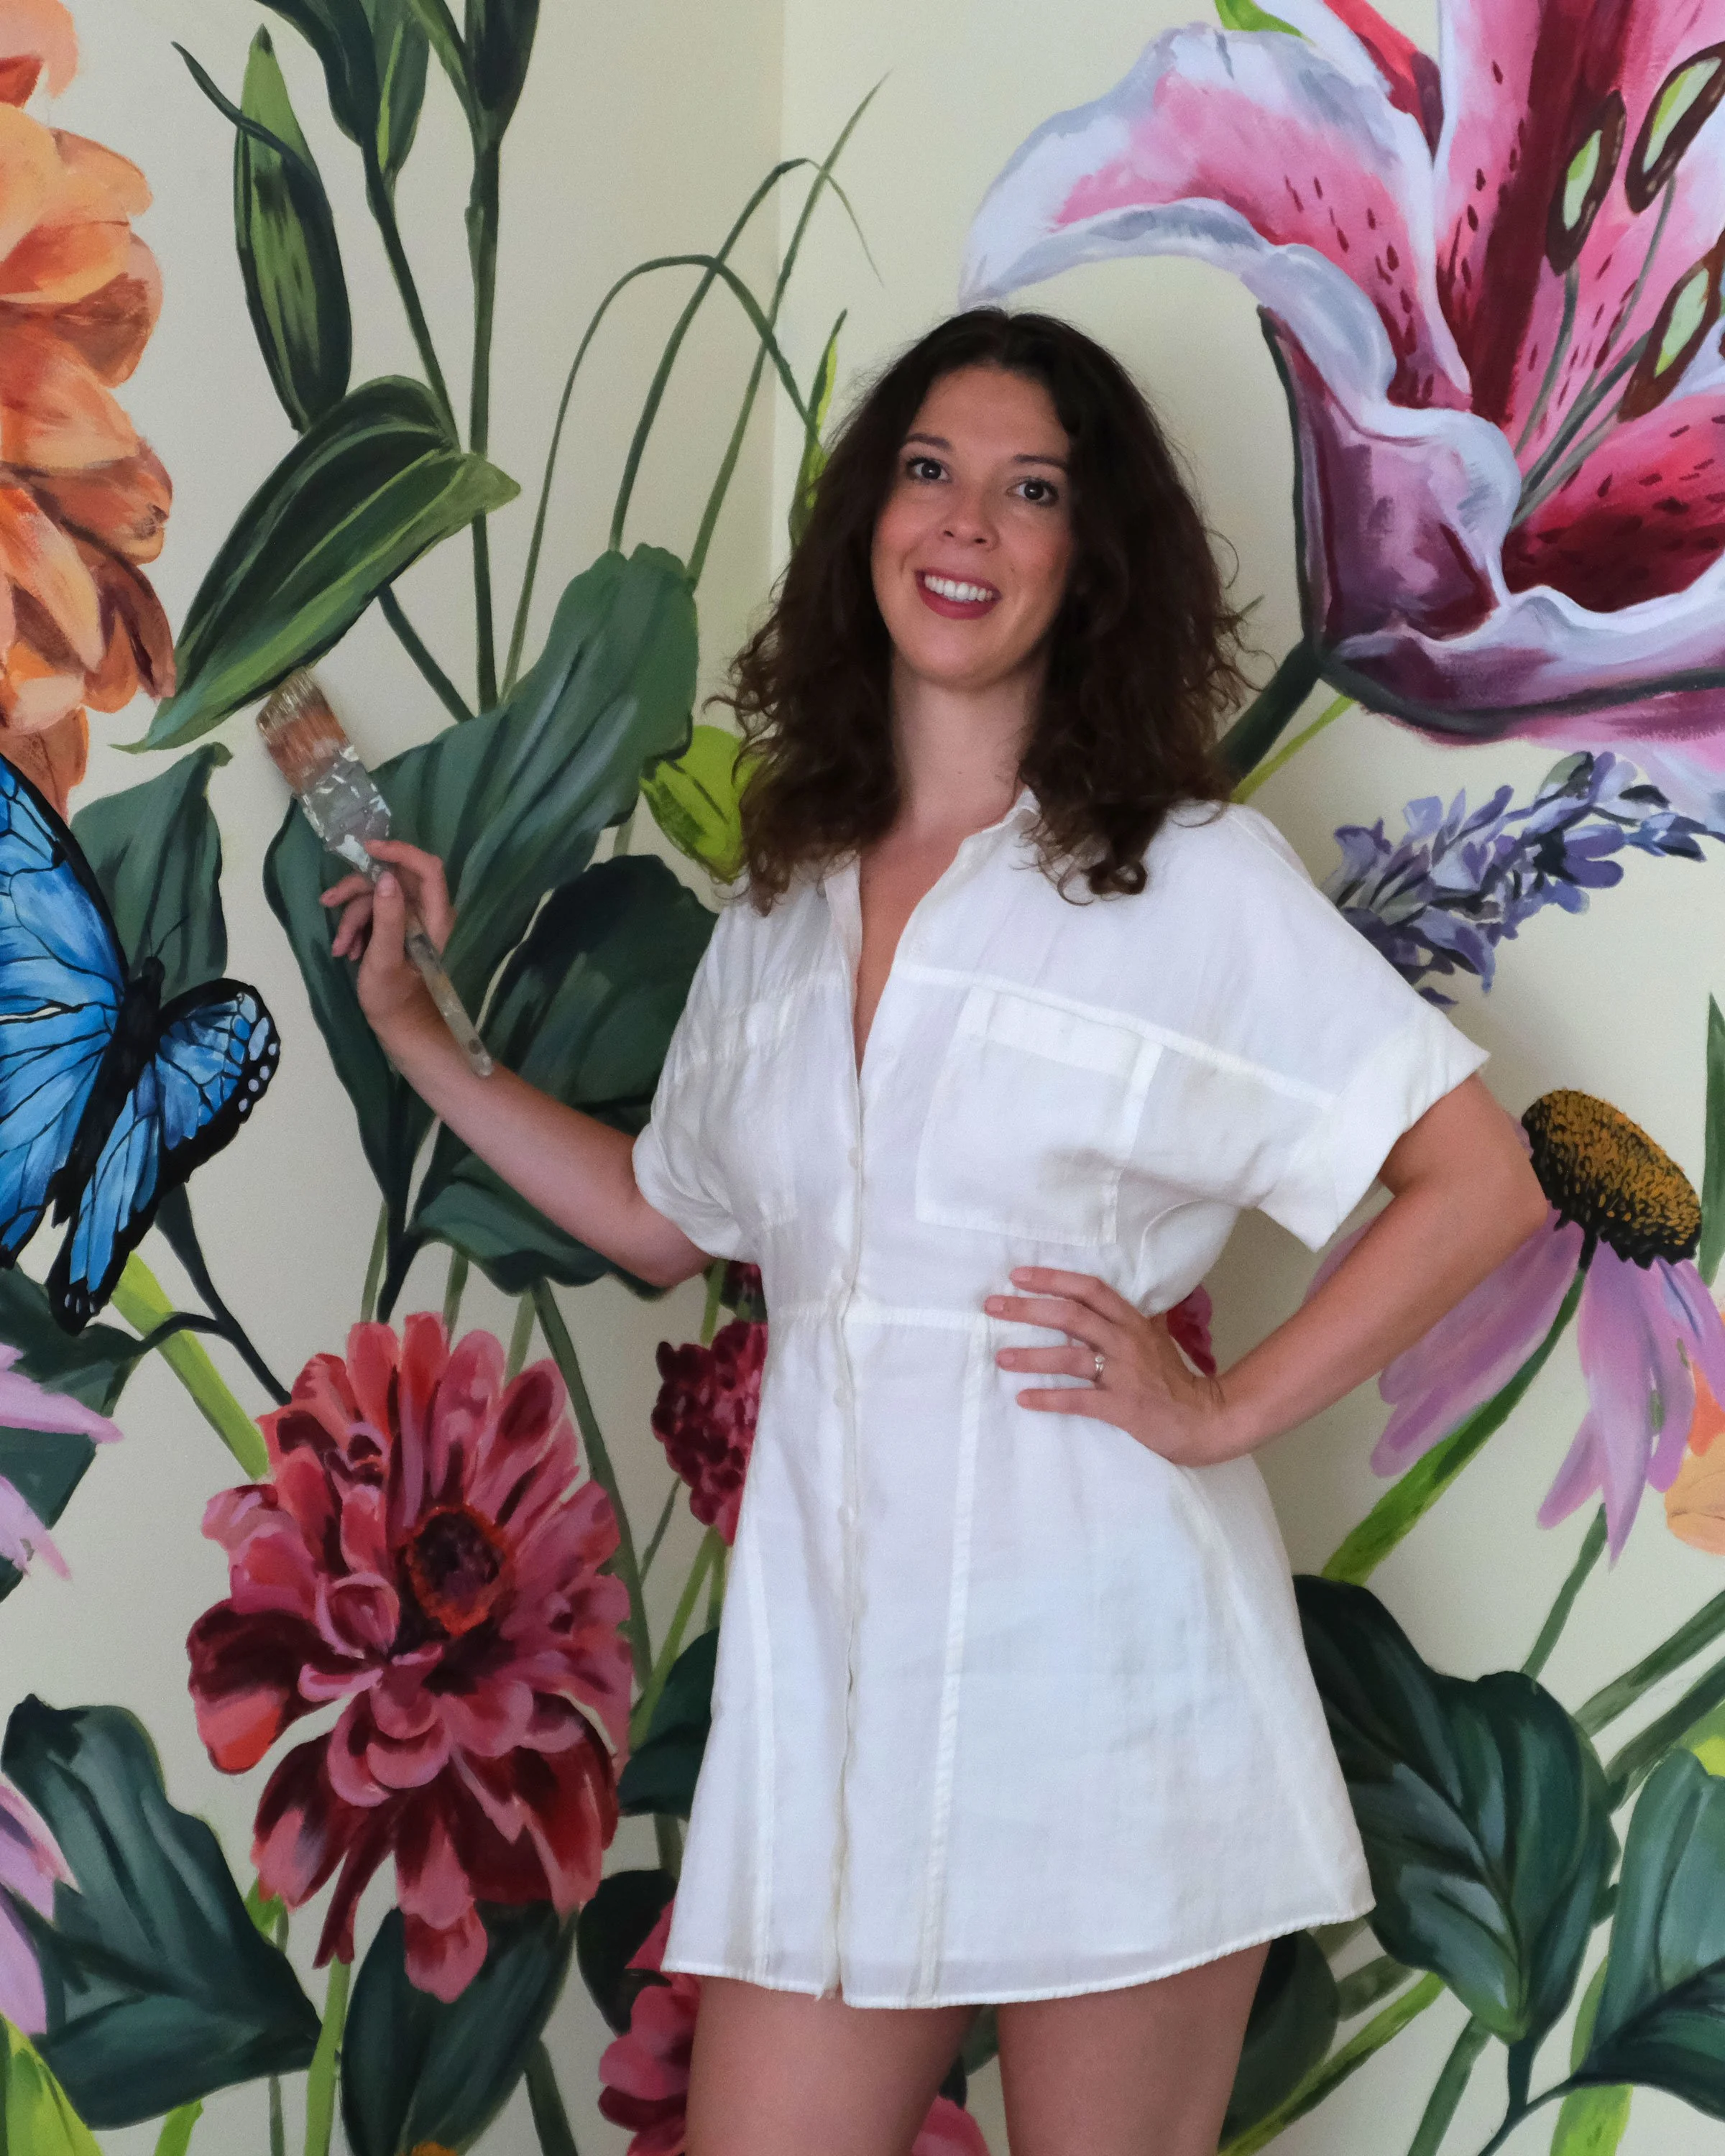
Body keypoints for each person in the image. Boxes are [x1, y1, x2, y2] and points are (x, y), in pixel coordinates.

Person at [324, 308, 1547, 2156]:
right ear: (867, 530)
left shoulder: (1193, 880)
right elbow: (668, 1221)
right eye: (929, 472)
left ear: (1087, 557)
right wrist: (426, 1037)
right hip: (837, 1693)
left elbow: (1480, 1176)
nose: (966, 522)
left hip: (1119, 1694)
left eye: (1027, 489)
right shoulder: (786, 895)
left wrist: (1220, 1415)